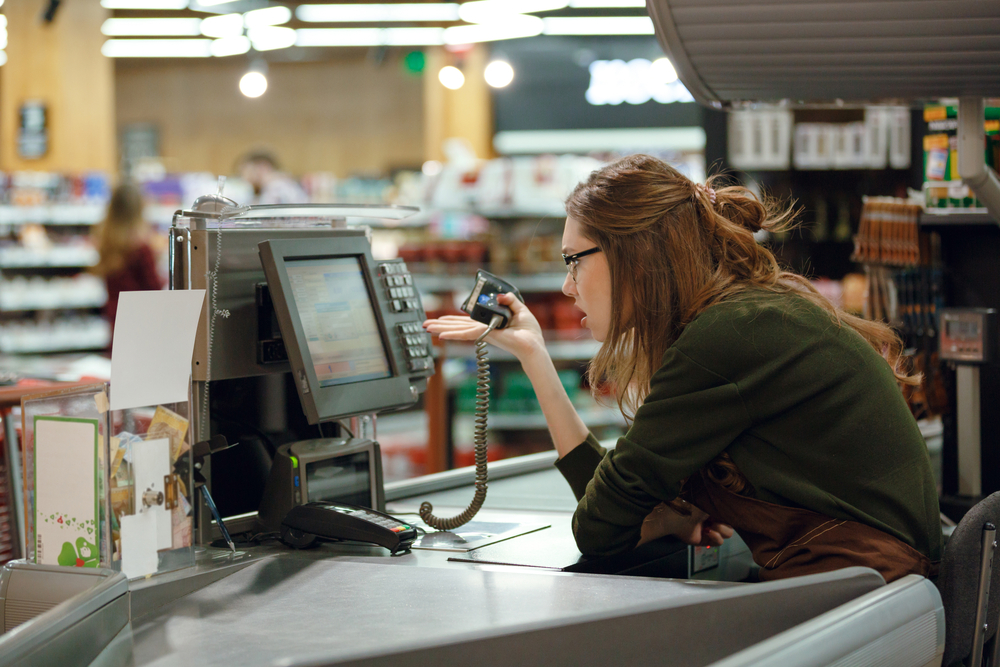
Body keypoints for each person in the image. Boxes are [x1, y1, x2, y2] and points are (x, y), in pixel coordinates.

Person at [424, 154, 941, 583]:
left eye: (573, 260)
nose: (568, 285)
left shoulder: (727, 335)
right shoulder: (744, 314)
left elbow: (599, 525)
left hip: (865, 590)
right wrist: (534, 354)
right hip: (873, 588)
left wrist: (651, 518)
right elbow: (616, 498)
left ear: (635, 254)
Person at [91, 183, 165, 347]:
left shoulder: (106, 241)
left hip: (115, 314)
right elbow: (153, 288)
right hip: (140, 319)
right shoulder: (141, 247)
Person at [238, 151, 308, 205]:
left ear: (262, 167)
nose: (244, 177)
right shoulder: (281, 183)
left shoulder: (276, 186)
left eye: (246, 171)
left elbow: (266, 214)